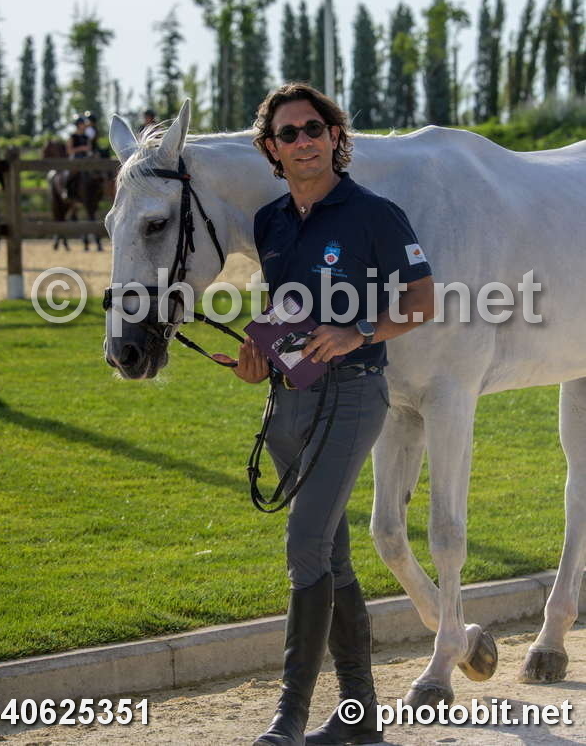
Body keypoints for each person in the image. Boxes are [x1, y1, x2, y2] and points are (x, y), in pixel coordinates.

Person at [228, 83, 434, 746]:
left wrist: (358, 333)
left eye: (313, 128)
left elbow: (423, 301)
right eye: (288, 133)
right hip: (289, 399)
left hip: (353, 395)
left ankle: (287, 718)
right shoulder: (269, 222)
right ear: (271, 149)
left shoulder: (375, 214)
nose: (303, 141)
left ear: (334, 135)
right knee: (333, 558)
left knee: (305, 545)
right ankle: (360, 718)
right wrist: (257, 356)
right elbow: (285, 310)